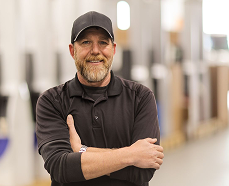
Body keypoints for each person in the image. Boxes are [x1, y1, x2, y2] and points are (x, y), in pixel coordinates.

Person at [36, 11, 164, 186]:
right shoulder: (52, 101)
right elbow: (61, 167)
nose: (95, 51)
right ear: (72, 51)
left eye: (103, 42)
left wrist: (82, 151)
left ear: (113, 49)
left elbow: (143, 171)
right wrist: (132, 155)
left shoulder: (140, 97)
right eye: (86, 42)